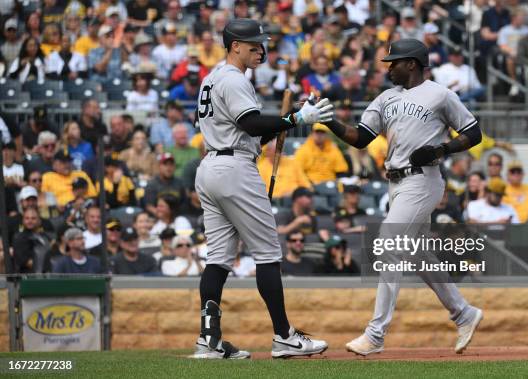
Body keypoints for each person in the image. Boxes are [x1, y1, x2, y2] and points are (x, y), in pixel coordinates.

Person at [318, 38, 484, 355]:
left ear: (412, 64)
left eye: (394, 62)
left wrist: (443, 148)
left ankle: (375, 334)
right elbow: (360, 138)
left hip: (424, 180)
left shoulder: (441, 94)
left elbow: (473, 132)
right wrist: (330, 121)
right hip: (396, 183)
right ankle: (464, 312)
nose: (389, 67)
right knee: (416, 254)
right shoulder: (385, 98)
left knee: (390, 244)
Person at [192, 19, 331, 359]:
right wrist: (296, 119)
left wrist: (290, 121)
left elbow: (250, 133)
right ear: (234, 45)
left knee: (219, 259)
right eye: (252, 44)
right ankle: (284, 336)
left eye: (261, 44)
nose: (260, 49)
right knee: (268, 254)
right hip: (234, 169)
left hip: (212, 167)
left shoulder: (212, 79)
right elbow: (251, 123)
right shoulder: (234, 78)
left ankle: (208, 341)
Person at [12, 207, 52, 273]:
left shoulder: (45, 236)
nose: (30, 221)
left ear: (39, 220)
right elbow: (25, 262)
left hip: (48, 275)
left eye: (33, 218)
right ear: (23, 220)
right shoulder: (19, 238)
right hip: (29, 277)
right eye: (27, 218)